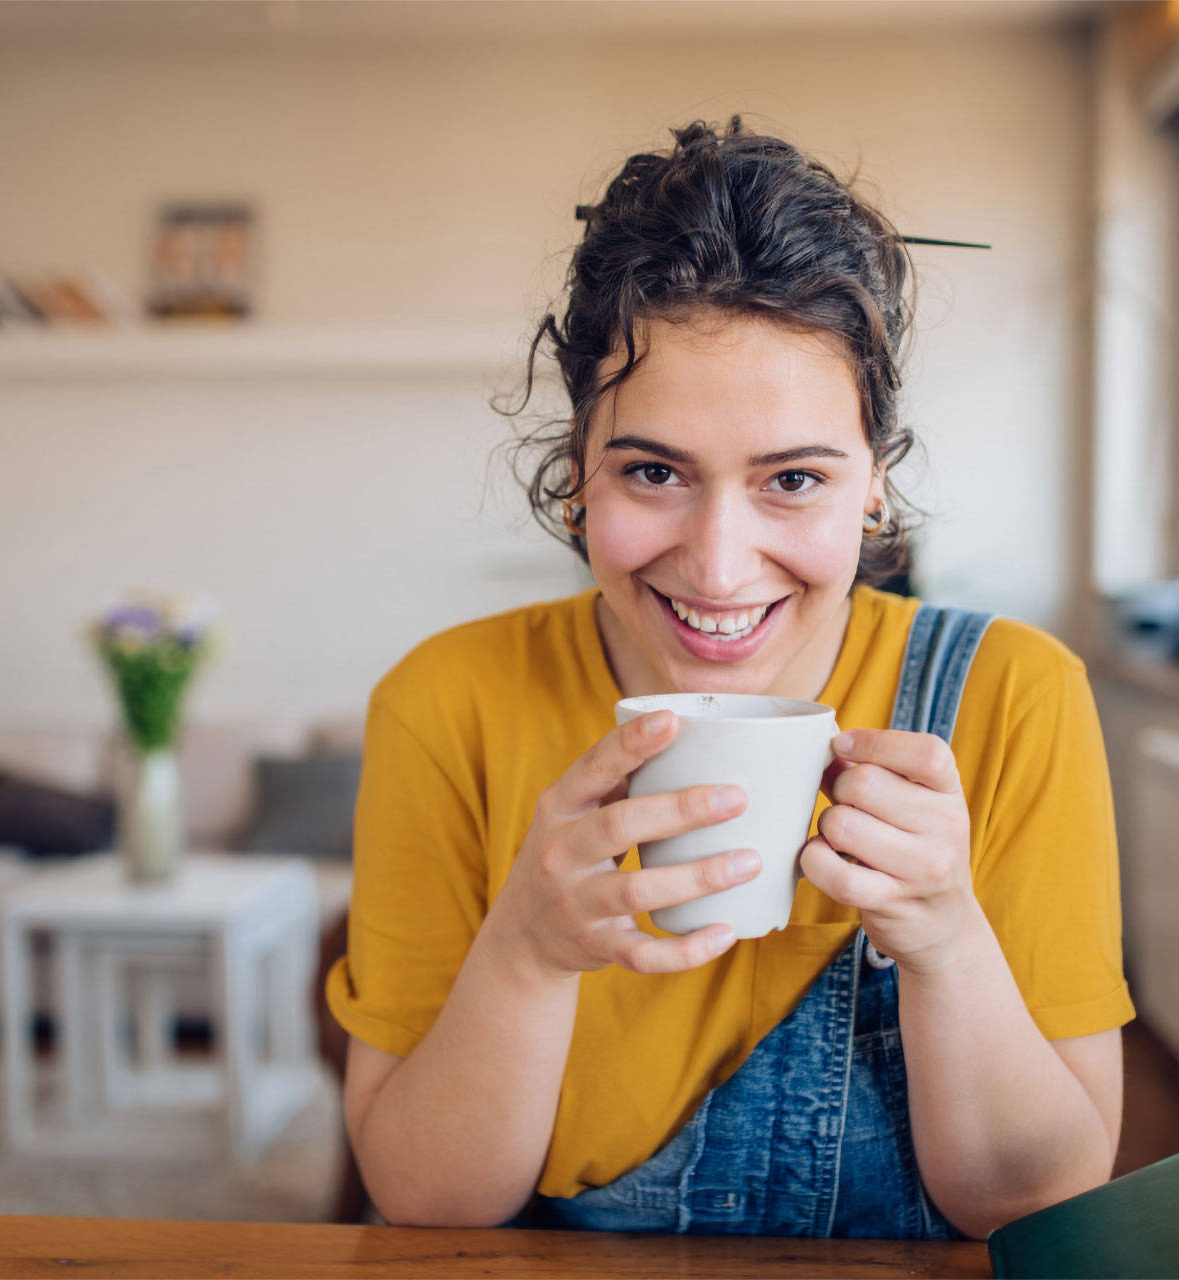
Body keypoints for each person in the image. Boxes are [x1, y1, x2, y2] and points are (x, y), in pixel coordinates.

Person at [325, 117, 1134, 1240]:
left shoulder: (1014, 697)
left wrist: (947, 936)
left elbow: (1041, 1205)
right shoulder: (444, 703)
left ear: (874, 488)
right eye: (653, 470)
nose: (717, 564)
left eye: (793, 478)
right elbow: (426, 1201)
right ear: (574, 477)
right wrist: (527, 951)